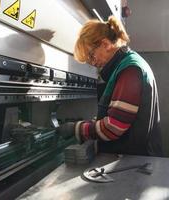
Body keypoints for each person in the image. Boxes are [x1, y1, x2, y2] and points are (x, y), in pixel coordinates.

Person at [59, 15, 162, 156]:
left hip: (135, 163)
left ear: (105, 44)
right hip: (132, 161)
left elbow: (113, 127)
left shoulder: (129, 69)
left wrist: (75, 128)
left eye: (91, 56)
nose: (92, 63)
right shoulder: (124, 66)